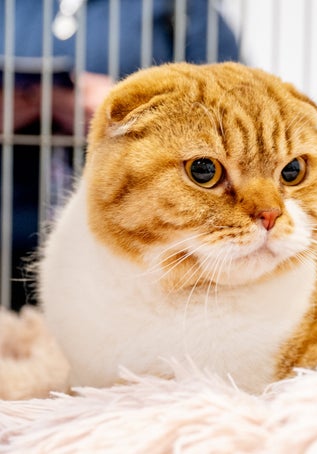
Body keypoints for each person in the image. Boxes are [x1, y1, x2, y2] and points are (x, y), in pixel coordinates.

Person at [0, 0, 241, 311]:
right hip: (13, 233)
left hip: (137, 250)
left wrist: (120, 112)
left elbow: (232, 118)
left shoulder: (180, 9)